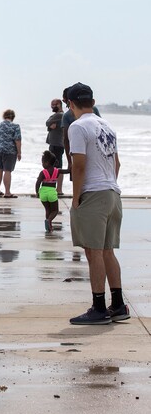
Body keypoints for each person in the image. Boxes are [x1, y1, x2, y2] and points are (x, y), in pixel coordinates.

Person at [66, 82, 128, 325]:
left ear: (71, 104)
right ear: (92, 101)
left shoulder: (77, 126)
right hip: (113, 193)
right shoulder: (108, 126)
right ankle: (119, 304)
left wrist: (75, 196)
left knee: (93, 252)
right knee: (107, 251)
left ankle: (99, 307)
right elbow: (117, 164)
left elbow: (78, 165)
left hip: (93, 194)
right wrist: (108, 183)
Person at [35, 150, 69, 232]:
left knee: (48, 210)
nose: (42, 164)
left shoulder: (42, 173)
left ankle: (49, 226)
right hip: (52, 193)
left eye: (42, 162)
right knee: (55, 210)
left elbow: (38, 183)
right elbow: (68, 171)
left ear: (47, 163)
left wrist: (37, 192)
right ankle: (49, 221)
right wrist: (71, 163)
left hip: (43, 193)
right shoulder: (58, 171)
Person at [0, 109, 21, 198]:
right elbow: (17, 140)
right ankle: (7, 192)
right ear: (13, 117)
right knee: (7, 171)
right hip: (9, 151)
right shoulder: (15, 126)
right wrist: (19, 152)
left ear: (4, 116)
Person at [45, 98, 65, 195]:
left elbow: (47, 122)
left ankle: (59, 189)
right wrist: (50, 127)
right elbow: (50, 126)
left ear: (60, 105)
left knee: (57, 167)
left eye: (55, 104)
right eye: (52, 104)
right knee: (54, 167)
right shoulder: (57, 115)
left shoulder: (59, 115)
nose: (53, 106)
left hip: (57, 144)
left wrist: (49, 126)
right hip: (55, 144)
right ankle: (56, 188)